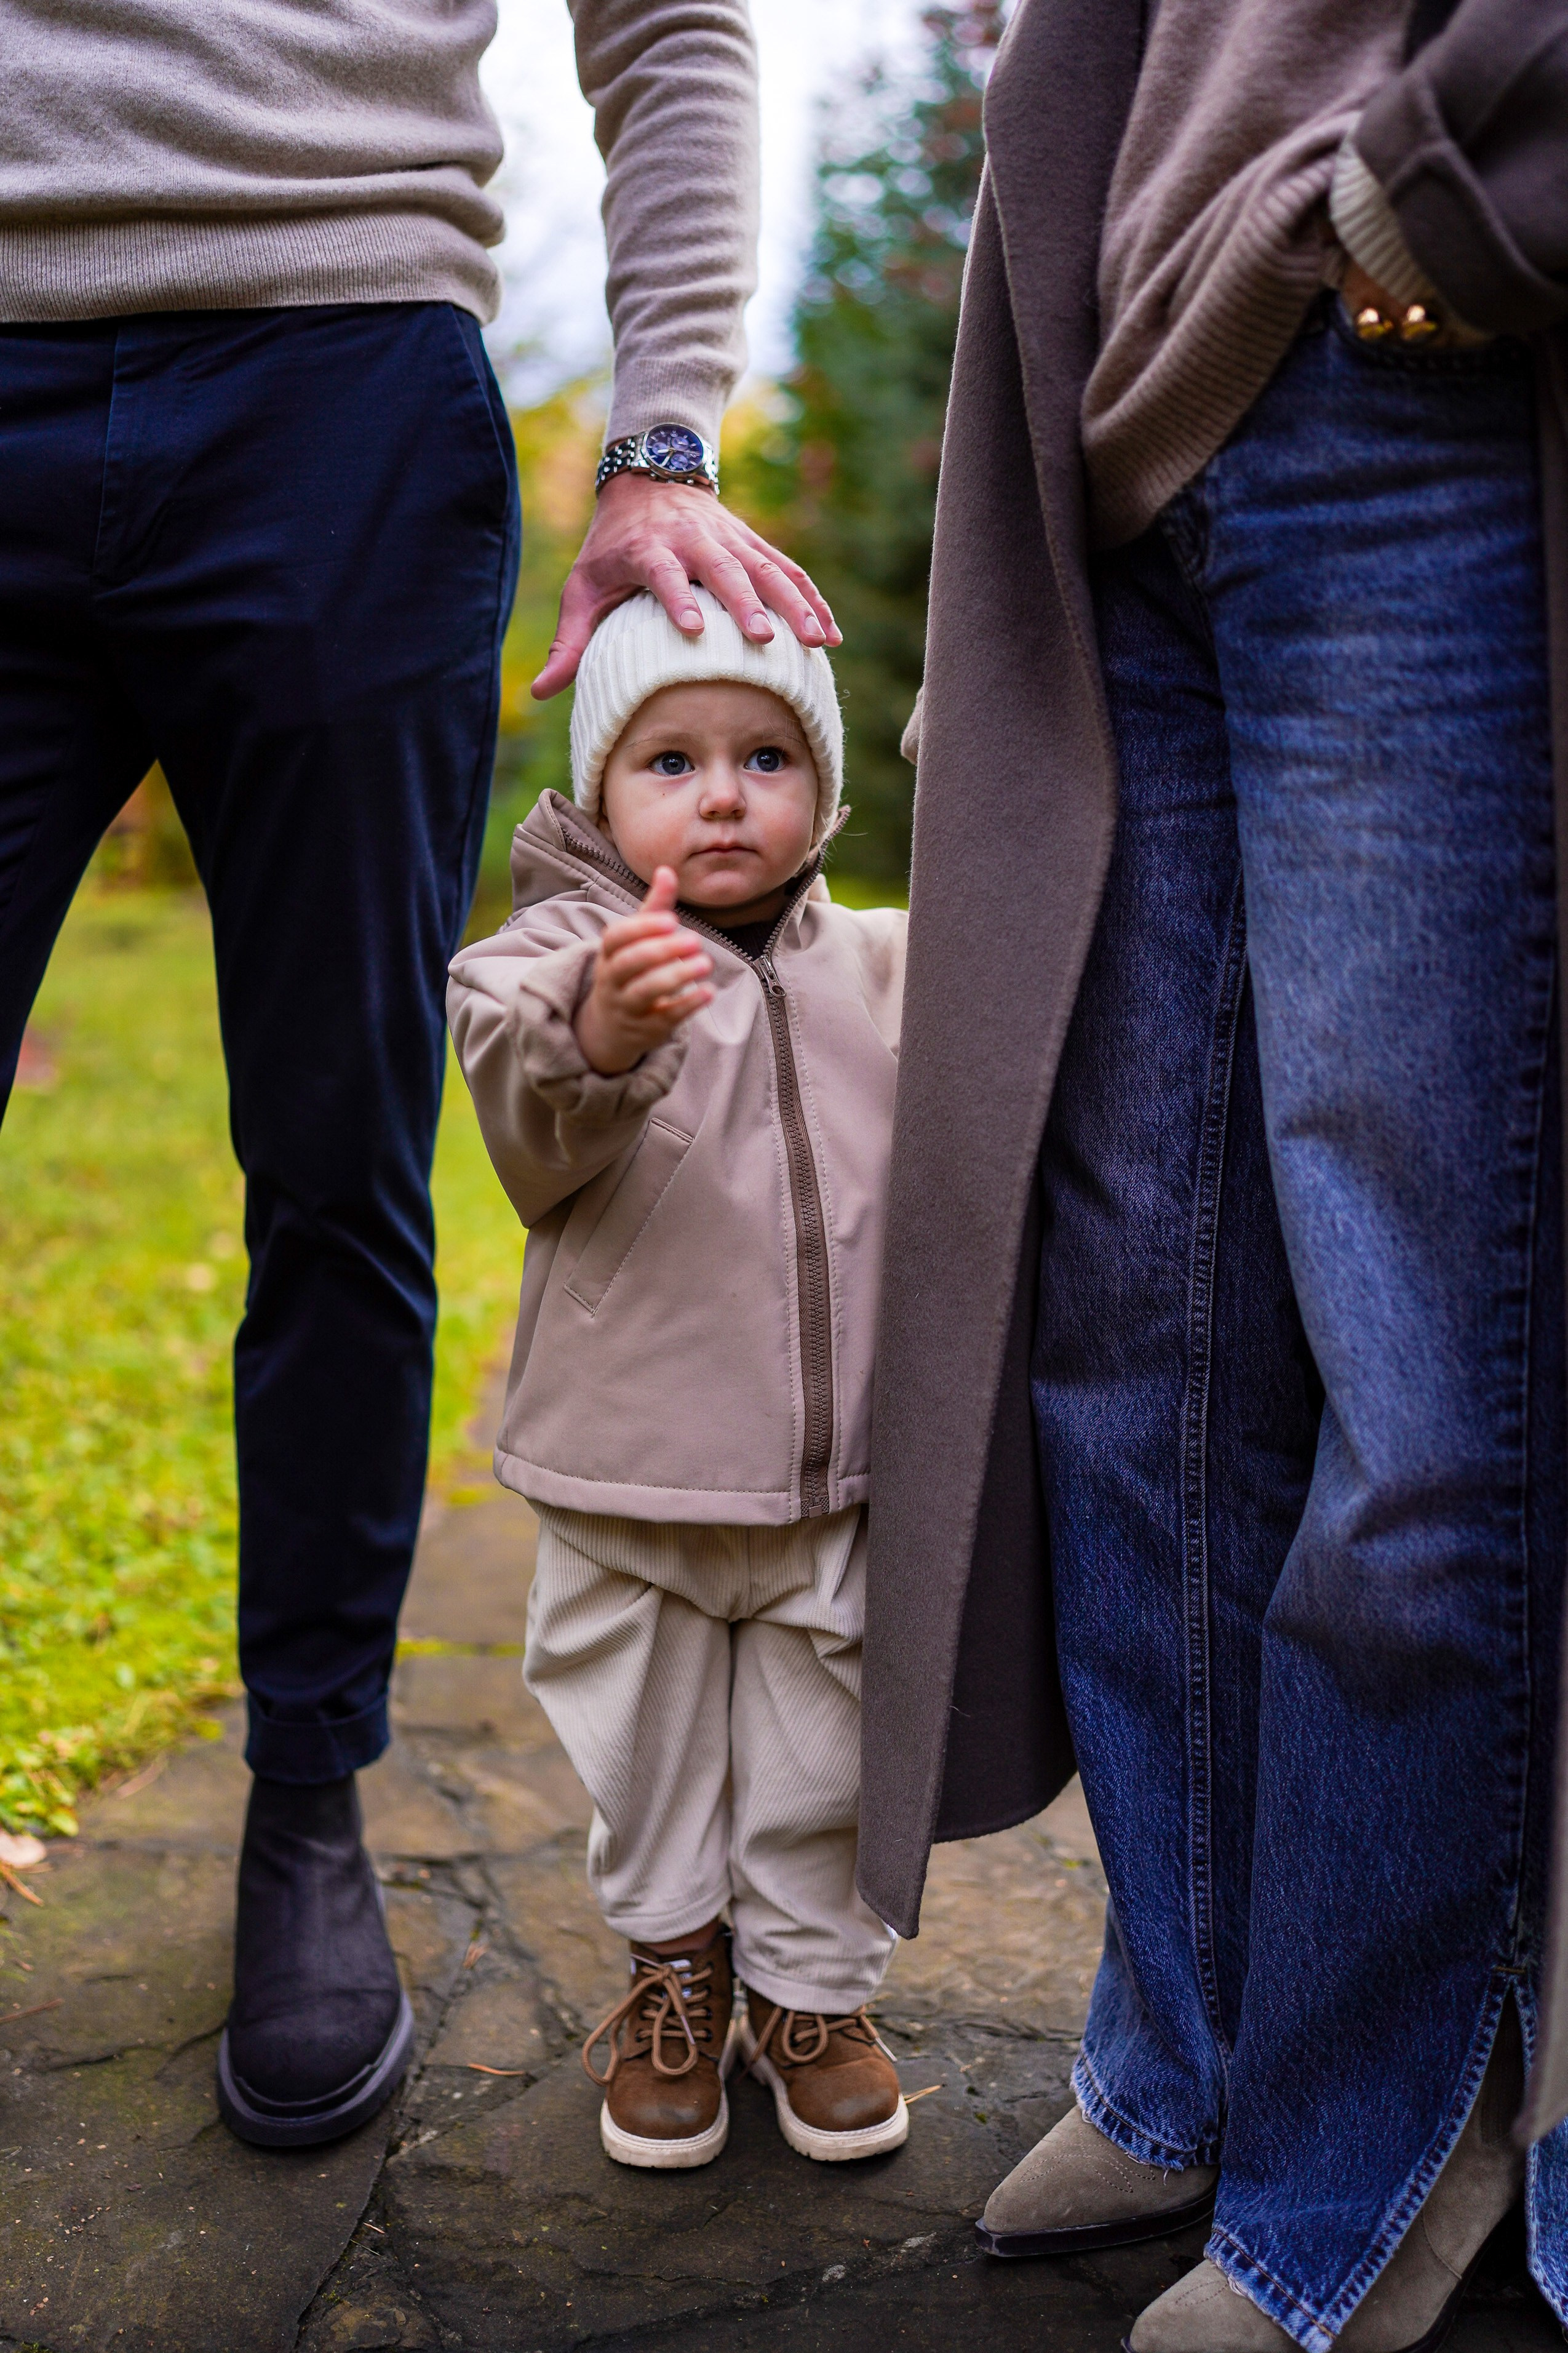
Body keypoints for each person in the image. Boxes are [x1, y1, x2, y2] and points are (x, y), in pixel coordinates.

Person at [0, 0, 836, 2148]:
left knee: (337, 1156)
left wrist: (662, 430)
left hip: (339, 378)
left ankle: (304, 1802)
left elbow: (671, 28)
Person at [856, 0, 1568, 2347]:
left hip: (1414, 381)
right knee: (1129, 1330)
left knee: (1418, 1362)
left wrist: (1454, 179)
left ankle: (1383, 2133)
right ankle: (1191, 2051)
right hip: (1127, 441)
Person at [446, 585, 909, 2169]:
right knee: (642, 1755)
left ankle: (809, 1995)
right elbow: (525, 1107)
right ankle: (671, 1970)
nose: (723, 791)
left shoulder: (880, 966)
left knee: (822, 1750)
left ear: (823, 792)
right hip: (628, 1477)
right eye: (673, 759)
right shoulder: (541, 965)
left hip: (828, 1478)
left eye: (768, 755)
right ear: (597, 790)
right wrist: (598, 1026)